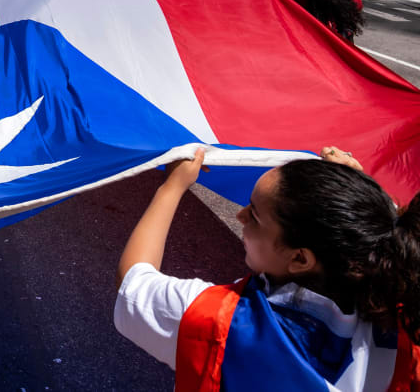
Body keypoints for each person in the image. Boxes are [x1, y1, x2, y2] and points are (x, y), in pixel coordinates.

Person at [115, 146, 420, 390]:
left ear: (301, 259)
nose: (240, 215)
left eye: (256, 216)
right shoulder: (398, 306)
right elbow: (386, 230)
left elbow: (132, 279)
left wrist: (172, 186)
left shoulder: (219, 323)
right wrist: (351, 193)